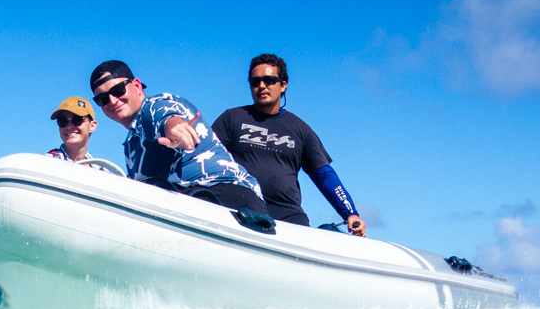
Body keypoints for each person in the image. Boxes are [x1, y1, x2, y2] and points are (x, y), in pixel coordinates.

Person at [89, 60, 273, 227]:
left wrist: (174, 128)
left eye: (118, 90)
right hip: (185, 201)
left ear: (136, 86)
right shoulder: (130, 145)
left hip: (226, 196)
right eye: (102, 99)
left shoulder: (154, 106)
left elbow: (166, 115)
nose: (112, 100)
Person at [211, 53, 368, 237]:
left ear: (283, 85)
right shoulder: (232, 118)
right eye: (255, 82)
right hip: (238, 209)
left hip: (287, 216)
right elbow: (205, 157)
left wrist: (350, 213)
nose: (261, 86)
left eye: (269, 80)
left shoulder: (300, 129)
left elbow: (324, 175)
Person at [45, 96, 125, 175]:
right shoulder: (48, 163)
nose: (69, 126)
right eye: (63, 121)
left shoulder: (101, 172)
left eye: (77, 120)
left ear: (92, 126)